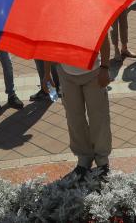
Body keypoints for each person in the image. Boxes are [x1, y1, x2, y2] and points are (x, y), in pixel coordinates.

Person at [43, 35, 113, 178]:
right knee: (74, 118)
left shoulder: (92, 12)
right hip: (66, 73)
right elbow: (48, 41)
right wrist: (46, 73)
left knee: (99, 118)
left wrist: (105, 67)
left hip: (94, 71)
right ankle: (83, 159)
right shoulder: (54, 14)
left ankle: (102, 161)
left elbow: (104, 38)